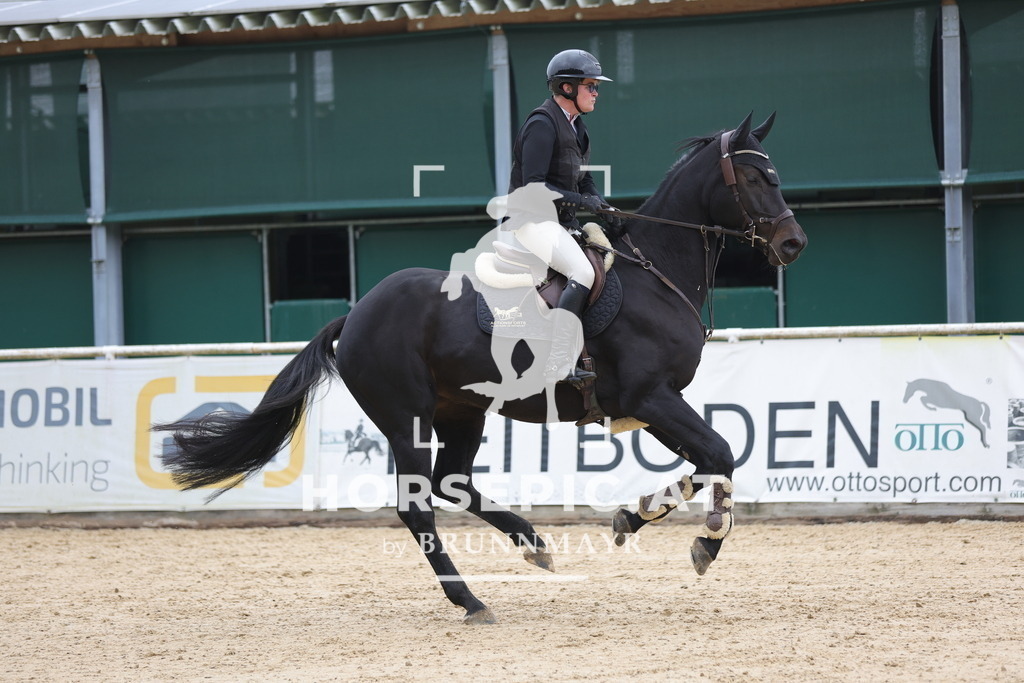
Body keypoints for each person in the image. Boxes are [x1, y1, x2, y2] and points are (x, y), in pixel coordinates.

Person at [505, 48, 619, 383]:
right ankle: (556, 361)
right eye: (591, 86)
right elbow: (534, 187)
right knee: (582, 272)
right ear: (567, 88)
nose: (596, 93)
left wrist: (601, 204)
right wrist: (584, 201)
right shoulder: (542, 124)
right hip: (532, 220)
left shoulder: (578, 127)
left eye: (596, 87)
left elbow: (584, 177)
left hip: (560, 222)